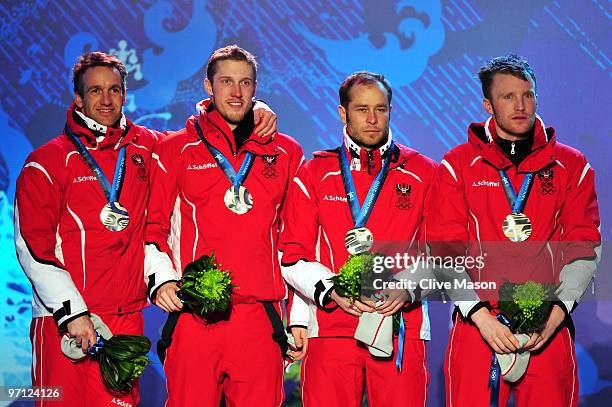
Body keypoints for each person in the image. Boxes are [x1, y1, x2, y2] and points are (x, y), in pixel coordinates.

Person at [14, 51, 277, 406]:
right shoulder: (45, 162)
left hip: (124, 319)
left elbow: (207, 132)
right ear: (77, 97)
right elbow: (33, 249)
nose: (106, 100)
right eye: (95, 91)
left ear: (124, 94)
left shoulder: (149, 147)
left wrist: (252, 108)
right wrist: (72, 312)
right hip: (62, 321)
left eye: (114, 90)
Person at [427, 54, 601, 406]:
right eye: (508, 97)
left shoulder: (572, 165)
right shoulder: (458, 165)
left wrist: (555, 316)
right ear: (487, 105)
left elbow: (585, 249)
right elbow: (443, 251)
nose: (521, 105)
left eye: (528, 95)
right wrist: (480, 318)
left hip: (548, 326)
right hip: (479, 325)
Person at [144, 45, 304, 406]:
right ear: (208, 87)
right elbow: (152, 229)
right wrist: (162, 279)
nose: (236, 92)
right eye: (226, 81)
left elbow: (295, 243)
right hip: (194, 317)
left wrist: (299, 318)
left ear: (256, 88)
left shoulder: (287, 152)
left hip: (260, 318)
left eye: (245, 83)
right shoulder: (175, 148)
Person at [279, 71, 436, 406]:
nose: (372, 119)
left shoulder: (423, 172)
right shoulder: (314, 172)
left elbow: (444, 252)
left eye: (381, 109)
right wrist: (330, 289)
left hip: (400, 326)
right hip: (333, 326)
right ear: (343, 113)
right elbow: (292, 255)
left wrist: (409, 285)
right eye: (362, 109)